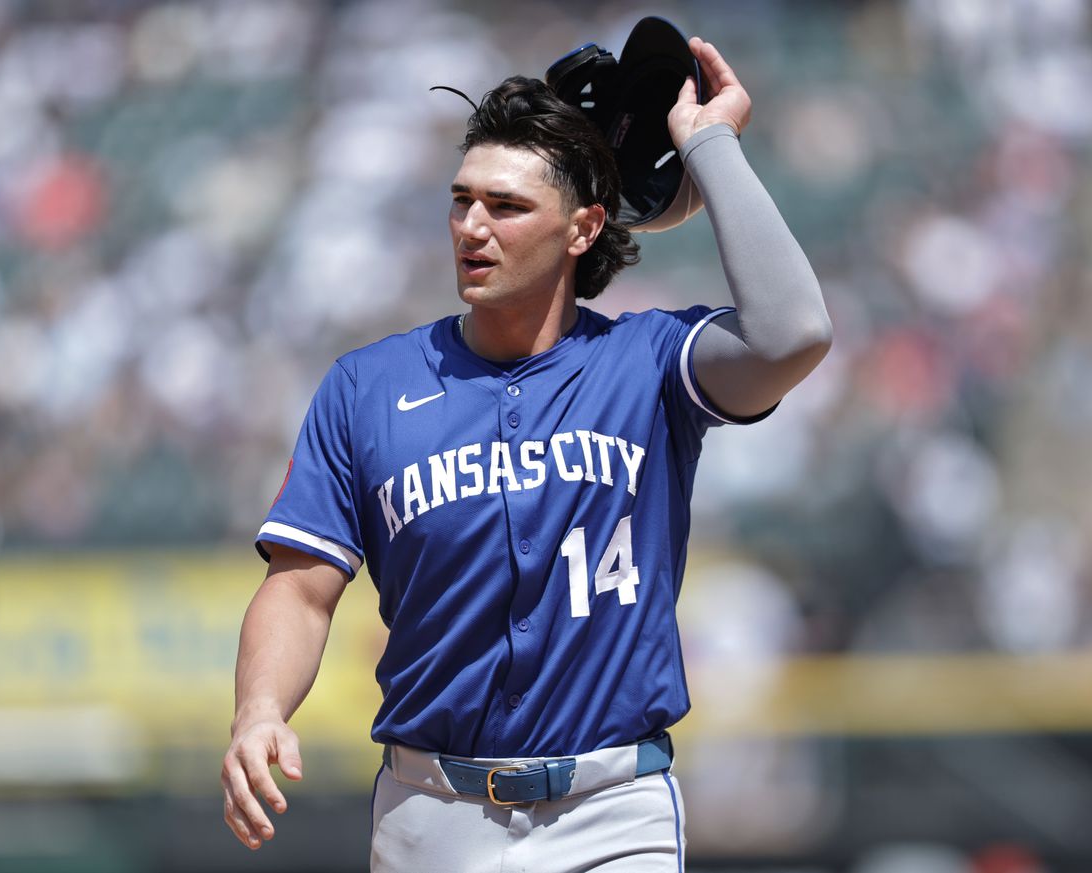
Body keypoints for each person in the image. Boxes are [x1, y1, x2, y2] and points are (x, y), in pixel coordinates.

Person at [222, 35, 832, 871]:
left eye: (506, 206)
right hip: (428, 812)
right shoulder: (368, 385)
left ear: (583, 227)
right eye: (461, 200)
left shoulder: (648, 364)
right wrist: (259, 708)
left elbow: (792, 332)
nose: (473, 226)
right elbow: (299, 590)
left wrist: (710, 144)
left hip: (612, 811)